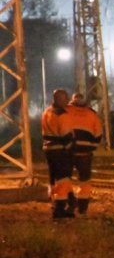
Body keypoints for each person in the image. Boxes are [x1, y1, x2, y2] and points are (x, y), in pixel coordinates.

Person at [65, 93, 103, 215]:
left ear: (72, 100)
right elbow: (98, 134)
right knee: (84, 180)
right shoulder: (92, 114)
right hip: (85, 153)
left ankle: (70, 202)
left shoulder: (66, 111)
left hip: (68, 152)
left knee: (65, 178)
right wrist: (92, 147)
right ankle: (82, 207)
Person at [41, 89, 74, 219]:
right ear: (59, 99)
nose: (67, 101)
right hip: (60, 150)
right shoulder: (62, 115)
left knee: (54, 178)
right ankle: (59, 208)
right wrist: (71, 150)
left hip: (48, 149)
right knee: (63, 179)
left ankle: (68, 200)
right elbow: (66, 136)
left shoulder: (47, 112)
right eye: (65, 99)